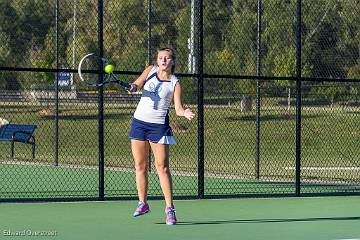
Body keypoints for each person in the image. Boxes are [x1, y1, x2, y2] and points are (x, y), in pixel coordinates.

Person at [128, 47, 195, 225]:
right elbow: (137, 84)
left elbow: (178, 109)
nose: (163, 60)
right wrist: (133, 87)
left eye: (167, 58)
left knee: (162, 167)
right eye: (160, 58)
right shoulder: (150, 70)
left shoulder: (175, 83)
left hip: (158, 127)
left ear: (172, 62)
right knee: (140, 165)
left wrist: (185, 112)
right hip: (139, 123)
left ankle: (170, 209)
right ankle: (143, 203)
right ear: (157, 61)